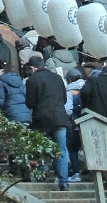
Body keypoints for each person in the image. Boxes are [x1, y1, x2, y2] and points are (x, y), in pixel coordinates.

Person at [25, 57, 75, 190]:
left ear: (32, 68)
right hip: (60, 118)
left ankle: (43, 173)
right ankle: (63, 181)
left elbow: (29, 103)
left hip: (41, 119)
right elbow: (64, 99)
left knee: (40, 148)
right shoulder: (58, 78)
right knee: (61, 150)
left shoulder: (32, 80)